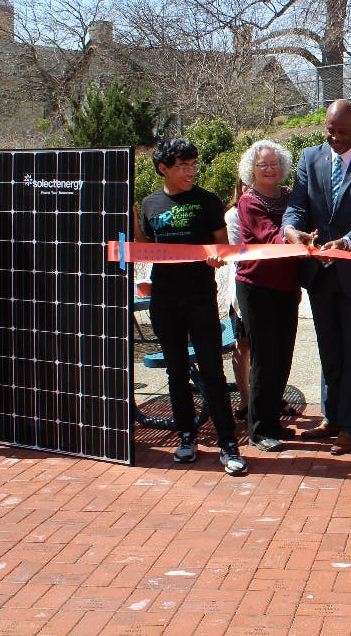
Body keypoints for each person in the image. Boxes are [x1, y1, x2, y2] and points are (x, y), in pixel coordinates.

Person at [283, 100, 351, 456]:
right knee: (329, 350)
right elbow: (298, 205)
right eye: (330, 131)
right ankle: (330, 416)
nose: (336, 138)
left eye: (343, 132)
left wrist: (345, 242)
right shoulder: (309, 159)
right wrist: (290, 230)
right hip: (320, 276)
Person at [136, 138, 246, 476]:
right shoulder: (150, 204)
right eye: (182, 165)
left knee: (213, 372)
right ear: (163, 169)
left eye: (193, 164)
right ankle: (186, 436)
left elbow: (223, 250)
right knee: (176, 372)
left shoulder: (208, 201)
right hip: (164, 301)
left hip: (200, 298)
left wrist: (217, 259)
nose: (190, 171)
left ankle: (228, 443)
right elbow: (144, 250)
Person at [235, 140, 302, 453]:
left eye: (274, 163)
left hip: (287, 288)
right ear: (252, 169)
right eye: (263, 165)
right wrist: (297, 238)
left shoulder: (290, 196)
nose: (270, 169)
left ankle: (272, 420)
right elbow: (268, 237)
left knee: (283, 356)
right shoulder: (249, 202)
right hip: (256, 288)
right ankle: (259, 430)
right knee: (264, 358)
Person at [219, 178, 251, 421]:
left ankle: (272, 397)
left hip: (270, 290)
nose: (249, 188)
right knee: (243, 344)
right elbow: (240, 253)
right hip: (241, 291)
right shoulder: (233, 216)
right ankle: (245, 399)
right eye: (245, 184)